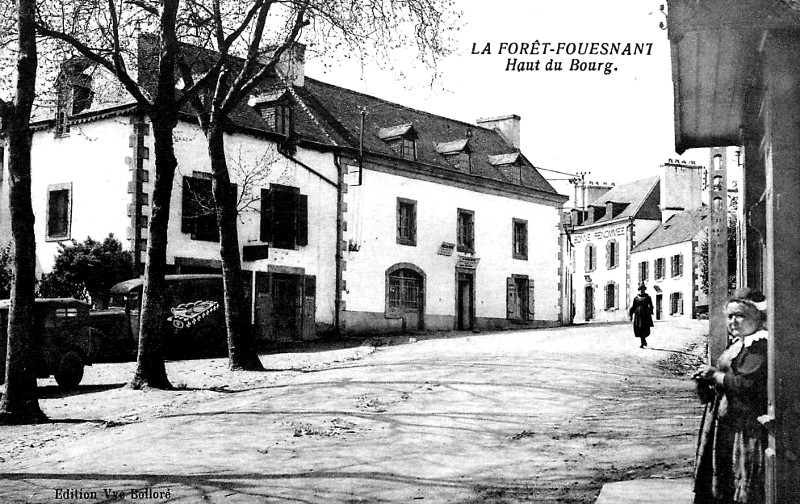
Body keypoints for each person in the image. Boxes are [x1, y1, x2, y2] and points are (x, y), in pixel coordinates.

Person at [692, 287, 768, 504]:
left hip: (745, 425)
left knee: (740, 480)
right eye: (730, 316)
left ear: (758, 316)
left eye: (740, 315)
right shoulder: (740, 343)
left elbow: (747, 385)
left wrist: (716, 376)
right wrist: (707, 380)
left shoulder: (759, 346)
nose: (733, 321)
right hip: (726, 419)